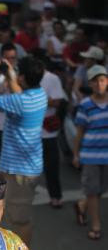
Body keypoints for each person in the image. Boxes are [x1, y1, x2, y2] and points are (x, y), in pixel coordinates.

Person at [0, 56, 48, 245]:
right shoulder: (39, 94)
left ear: (24, 78)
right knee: (9, 212)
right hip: (19, 166)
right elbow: (19, 91)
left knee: (20, 220)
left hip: (21, 171)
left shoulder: (20, 101)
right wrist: (11, 77)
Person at [73, 65, 108, 240]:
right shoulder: (85, 105)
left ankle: (81, 205)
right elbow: (79, 132)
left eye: (102, 80)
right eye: (95, 81)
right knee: (93, 192)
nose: (99, 84)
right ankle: (96, 224)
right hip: (91, 155)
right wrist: (76, 154)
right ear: (91, 84)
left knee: (100, 190)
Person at [41, 66, 67, 208]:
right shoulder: (21, 76)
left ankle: (56, 196)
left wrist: (33, 100)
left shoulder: (52, 78)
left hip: (47, 131)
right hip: (27, 131)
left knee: (52, 166)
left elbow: (57, 101)